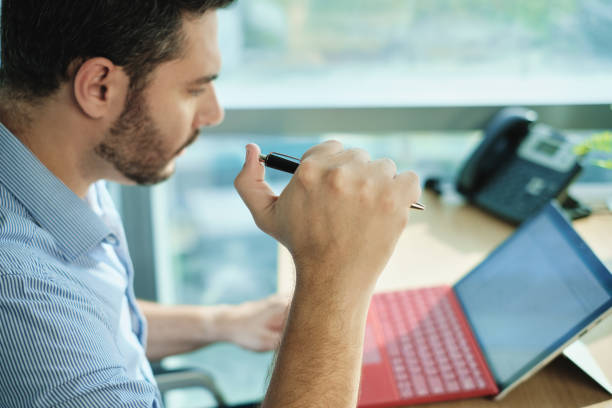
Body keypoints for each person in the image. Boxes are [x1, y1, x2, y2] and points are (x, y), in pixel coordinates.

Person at [0, 1, 421, 407]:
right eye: (195, 88)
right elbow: (46, 315)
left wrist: (225, 322)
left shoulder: (50, 169)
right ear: (99, 87)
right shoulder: (21, 290)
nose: (213, 113)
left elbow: (90, 319)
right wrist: (334, 277)